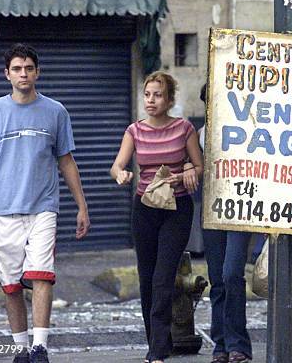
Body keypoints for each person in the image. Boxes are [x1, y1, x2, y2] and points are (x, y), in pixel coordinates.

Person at [0, 43, 90, 363]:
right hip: (4, 209)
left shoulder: (56, 111)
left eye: (29, 68)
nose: (24, 73)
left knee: (41, 273)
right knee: (10, 283)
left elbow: (66, 161)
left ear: (38, 72)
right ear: (7, 74)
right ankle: (21, 348)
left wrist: (82, 206)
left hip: (43, 207)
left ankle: (40, 347)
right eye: (17, 69)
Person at [110, 71, 203, 363]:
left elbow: (200, 167)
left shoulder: (184, 129)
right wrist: (121, 174)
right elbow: (117, 165)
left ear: (170, 99)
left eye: (158, 95)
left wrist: (187, 172)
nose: (151, 100)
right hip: (145, 209)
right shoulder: (134, 131)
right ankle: (156, 343)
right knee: (147, 278)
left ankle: (159, 350)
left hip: (177, 209)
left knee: (164, 278)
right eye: (147, 94)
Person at [198, 84, 252, 363]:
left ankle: (238, 344)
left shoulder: (249, 130)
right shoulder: (201, 134)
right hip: (212, 210)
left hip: (242, 208)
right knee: (217, 279)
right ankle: (222, 345)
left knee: (232, 274)